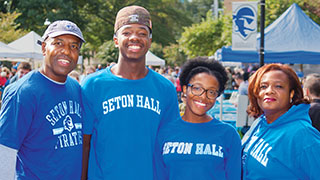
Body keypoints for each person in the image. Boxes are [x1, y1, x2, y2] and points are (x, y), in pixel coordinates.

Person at [81, 5, 180, 180]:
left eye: (142, 33)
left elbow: (170, 145)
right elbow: (84, 145)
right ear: (116, 40)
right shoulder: (93, 85)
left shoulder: (165, 88)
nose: (135, 38)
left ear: (150, 40)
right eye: (127, 32)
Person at [0, 20, 85, 180]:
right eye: (58, 43)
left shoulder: (75, 87)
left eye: (74, 46)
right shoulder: (23, 92)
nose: (66, 51)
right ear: (44, 47)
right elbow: (5, 152)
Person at [156, 57, 241, 180]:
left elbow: (234, 176)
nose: (203, 97)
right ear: (185, 89)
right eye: (197, 88)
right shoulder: (165, 132)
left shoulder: (228, 134)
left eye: (211, 92)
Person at [242, 64, 320, 179]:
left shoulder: (303, 134)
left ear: (291, 94)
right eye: (263, 86)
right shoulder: (259, 123)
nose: (269, 91)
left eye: (278, 86)